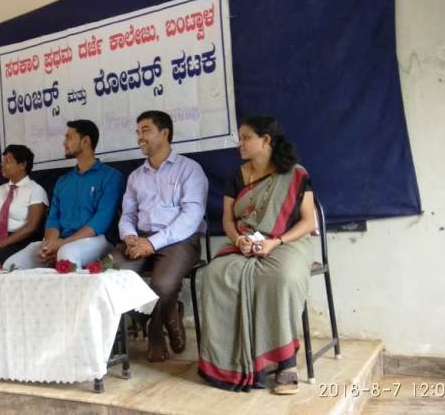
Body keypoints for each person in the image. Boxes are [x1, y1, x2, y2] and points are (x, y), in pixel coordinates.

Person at [194, 116, 316, 394]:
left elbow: (308, 222)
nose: (240, 143)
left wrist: (276, 242)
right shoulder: (235, 177)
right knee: (215, 274)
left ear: (266, 140)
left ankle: (286, 363)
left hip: (288, 242)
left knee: (281, 277)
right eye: (240, 138)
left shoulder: (295, 174)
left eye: (246, 137)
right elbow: (228, 221)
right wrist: (239, 241)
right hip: (246, 243)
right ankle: (232, 363)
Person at [111, 110, 207, 362]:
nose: (139, 137)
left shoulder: (189, 169)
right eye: (137, 132)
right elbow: (128, 215)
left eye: (146, 130)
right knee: (108, 276)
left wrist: (152, 243)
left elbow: (191, 216)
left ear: (165, 133)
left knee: (162, 286)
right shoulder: (135, 176)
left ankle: (155, 333)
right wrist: (130, 236)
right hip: (140, 238)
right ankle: (170, 311)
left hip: (179, 240)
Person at [5, 120, 122, 269]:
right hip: (61, 241)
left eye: (69, 137)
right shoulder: (63, 181)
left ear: (86, 141)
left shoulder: (111, 176)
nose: (64, 143)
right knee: (11, 265)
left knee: (66, 254)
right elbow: (53, 218)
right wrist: (49, 246)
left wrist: (61, 244)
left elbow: (100, 221)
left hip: (97, 240)